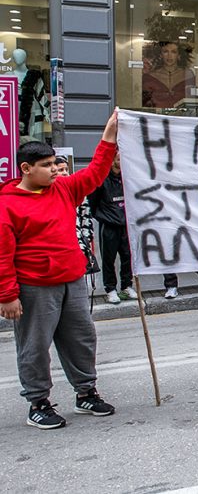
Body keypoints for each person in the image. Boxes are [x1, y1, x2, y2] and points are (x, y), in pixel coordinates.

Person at [1, 112, 121, 429]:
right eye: (47, 165)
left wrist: (109, 135)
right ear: (26, 169)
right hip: (34, 287)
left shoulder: (64, 189)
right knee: (35, 347)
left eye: (56, 163)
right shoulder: (7, 205)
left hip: (72, 281)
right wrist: (8, 296)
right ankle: (38, 403)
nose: (55, 169)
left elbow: (96, 173)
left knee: (82, 339)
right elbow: (3, 255)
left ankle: (86, 394)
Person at [87, 153, 135, 305]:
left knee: (127, 257)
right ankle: (110, 289)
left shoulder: (127, 177)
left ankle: (127, 286)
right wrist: (103, 217)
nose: (121, 162)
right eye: (119, 159)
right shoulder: (102, 179)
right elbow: (92, 202)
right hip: (109, 225)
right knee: (109, 258)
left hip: (125, 224)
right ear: (112, 159)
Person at [55, 157, 98, 296]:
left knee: (80, 288)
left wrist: (88, 244)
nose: (65, 172)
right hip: (61, 249)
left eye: (66, 169)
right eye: (61, 170)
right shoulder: (49, 194)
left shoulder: (76, 190)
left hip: (79, 245)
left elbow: (86, 218)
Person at [142, 41, 195, 110]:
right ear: (161, 55)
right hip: (157, 118)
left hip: (182, 117)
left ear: (179, 55)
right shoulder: (150, 77)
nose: (169, 56)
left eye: (173, 52)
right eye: (165, 52)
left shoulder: (188, 75)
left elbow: (193, 100)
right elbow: (144, 103)